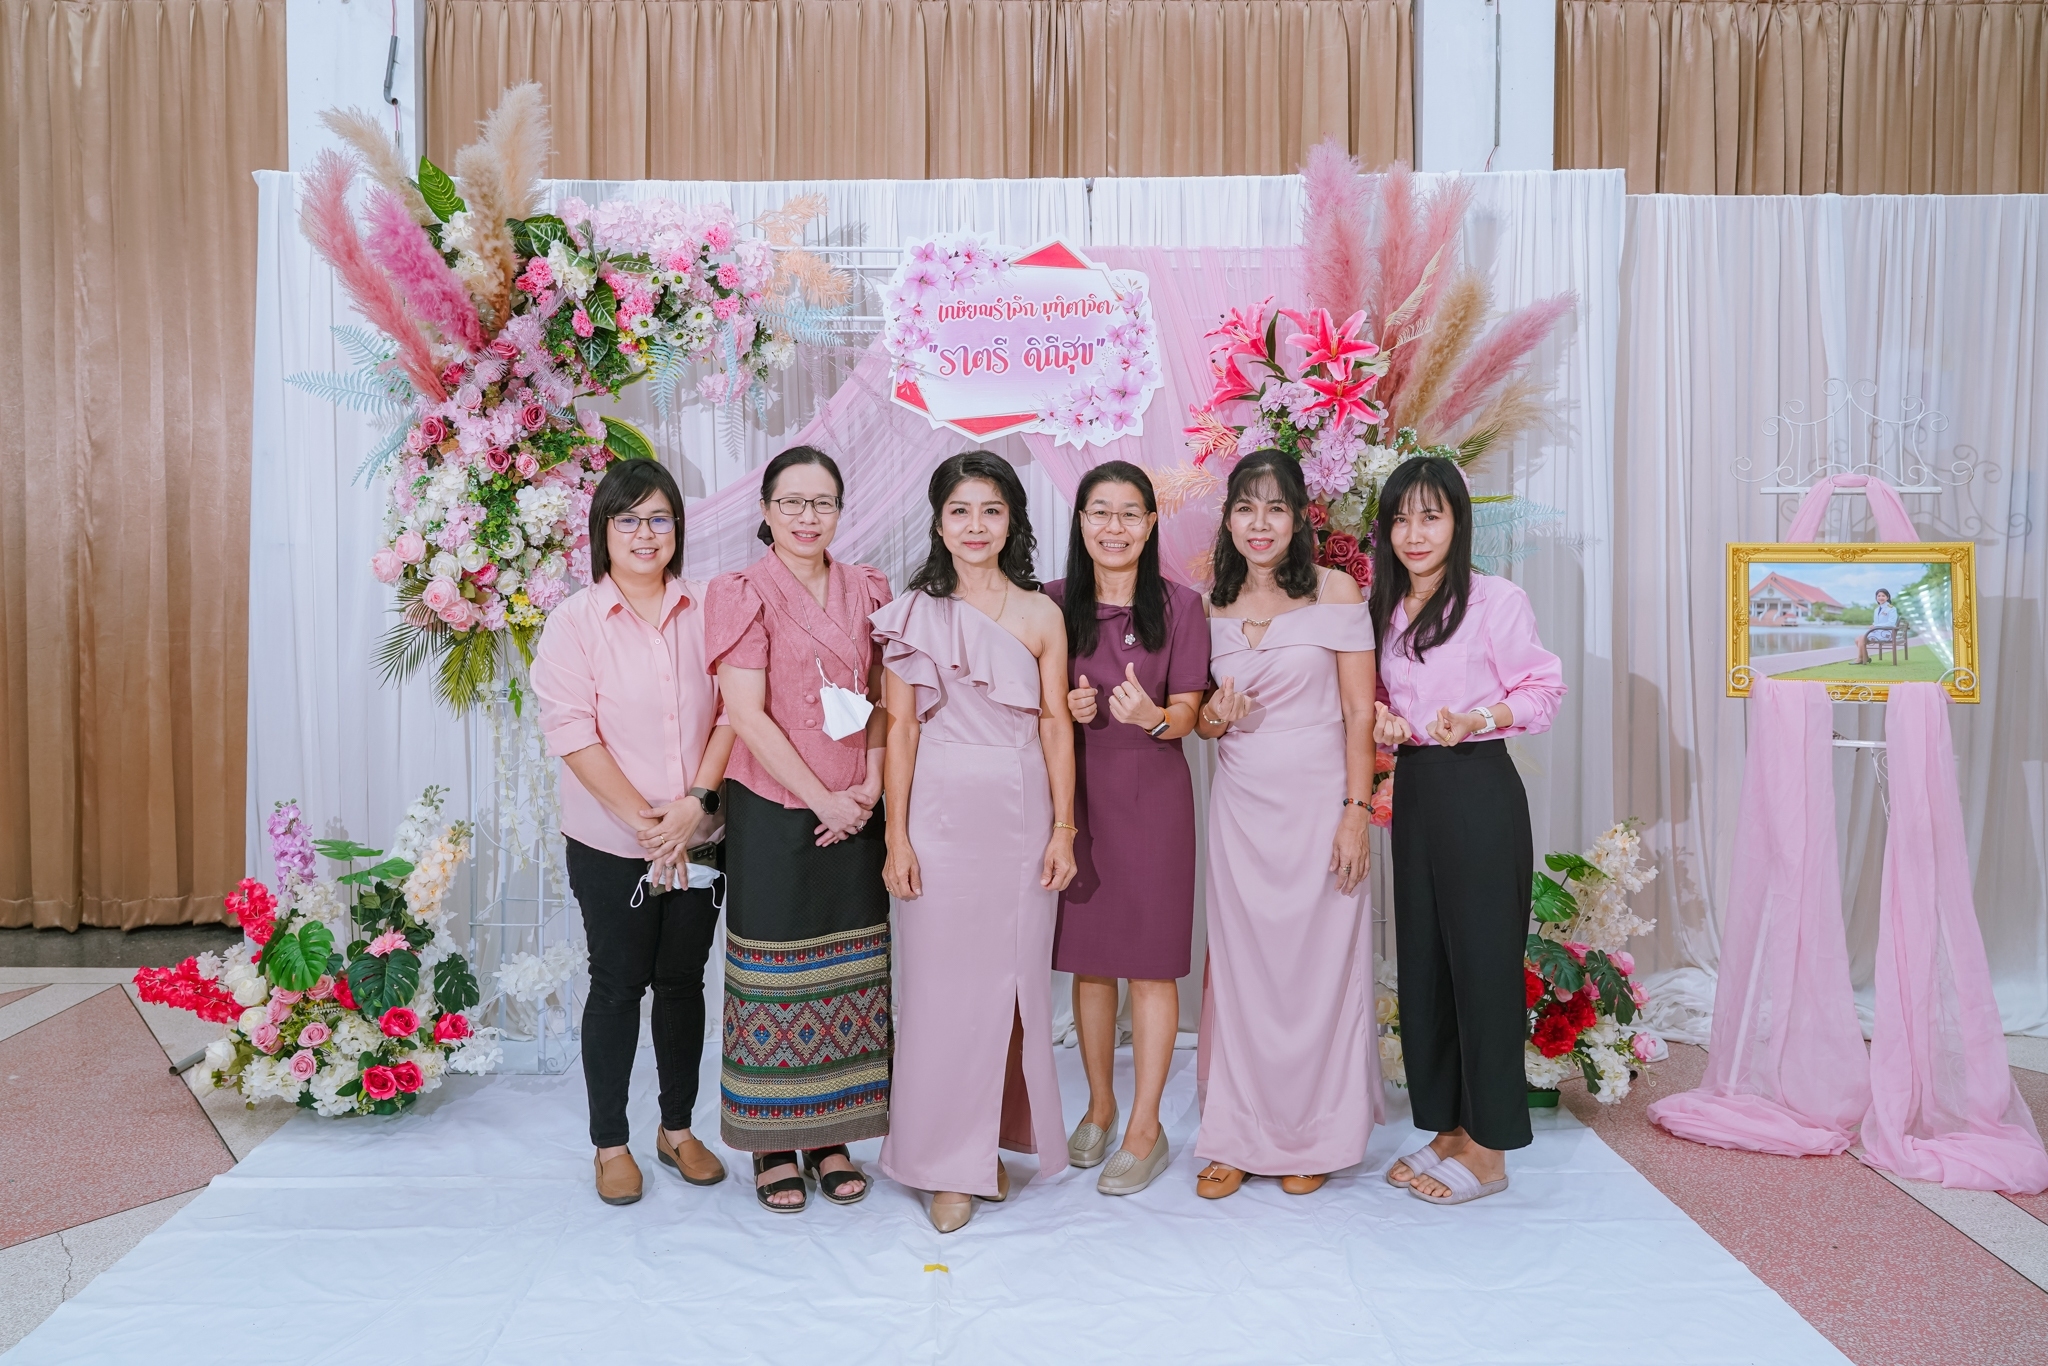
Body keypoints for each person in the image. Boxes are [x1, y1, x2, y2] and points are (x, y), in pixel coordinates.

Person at [869, 450, 1079, 1233]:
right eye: (960, 510)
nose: (975, 525)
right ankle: (943, 1164)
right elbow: (899, 733)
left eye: (991, 509)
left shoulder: (1041, 614)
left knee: (1012, 988)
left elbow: (1056, 727)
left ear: (1012, 519)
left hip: (1022, 816)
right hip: (939, 816)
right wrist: (895, 836)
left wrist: (1064, 829)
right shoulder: (911, 614)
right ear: (937, 522)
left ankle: (988, 1142)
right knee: (938, 992)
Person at [532, 458, 735, 1208]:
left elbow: (733, 712)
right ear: (603, 530)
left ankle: (677, 1130)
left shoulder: (709, 607)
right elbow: (571, 731)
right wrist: (649, 825)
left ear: (677, 527)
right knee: (618, 985)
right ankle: (610, 1144)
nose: (645, 533)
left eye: (659, 518)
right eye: (628, 519)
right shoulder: (575, 621)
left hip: (702, 830)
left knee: (683, 983)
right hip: (612, 842)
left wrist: (695, 805)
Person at [1371, 455, 1565, 1207]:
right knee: (1427, 966)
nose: (1414, 534)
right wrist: (1387, 720)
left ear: (1458, 522)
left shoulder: (1495, 600)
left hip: (1479, 787)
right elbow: (1383, 696)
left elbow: (1542, 690)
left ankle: (1490, 1150)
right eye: (1401, 519)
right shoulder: (1386, 607)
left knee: (1483, 969)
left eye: (1431, 516)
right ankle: (1449, 1128)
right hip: (1417, 789)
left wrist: (1479, 717)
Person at [706, 445, 895, 1215]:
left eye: (821, 503)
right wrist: (824, 799)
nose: (806, 516)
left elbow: (883, 697)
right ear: (766, 511)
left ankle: (831, 1135)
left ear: (841, 511)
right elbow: (746, 716)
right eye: (791, 502)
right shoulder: (742, 592)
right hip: (776, 810)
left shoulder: (869, 588)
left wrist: (871, 786)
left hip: (857, 807)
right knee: (774, 975)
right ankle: (771, 1143)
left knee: (850, 969)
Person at [1190, 449, 1380, 1200]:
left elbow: (1360, 711)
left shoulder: (1335, 590)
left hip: (1320, 804)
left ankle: (1313, 1135)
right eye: (1245, 507)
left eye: (1275, 507)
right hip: (1241, 810)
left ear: (1301, 516)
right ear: (1228, 520)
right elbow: (1204, 723)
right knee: (1244, 974)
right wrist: (1215, 715)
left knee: (1317, 971)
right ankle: (1238, 1135)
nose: (1259, 523)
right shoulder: (1208, 605)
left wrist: (1356, 813)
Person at [1047, 461, 1209, 1197]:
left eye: (1129, 514)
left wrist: (1153, 717)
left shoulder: (1181, 606)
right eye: (1099, 513)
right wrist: (1065, 709)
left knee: (1149, 963)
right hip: (1076, 799)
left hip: (1153, 799)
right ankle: (1100, 1106)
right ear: (1080, 522)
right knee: (1089, 963)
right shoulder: (1052, 603)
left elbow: (1191, 716)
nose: (1114, 527)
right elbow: (1032, 704)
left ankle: (1146, 1127)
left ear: (1150, 524)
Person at [1855, 588, 1902, 664]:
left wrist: (1876, 625)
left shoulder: (1891, 608)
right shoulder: (1876, 609)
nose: (1880, 597)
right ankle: (1865, 657)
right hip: (1877, 632)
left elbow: (1891, 623)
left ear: (1887, 597)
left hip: (1886, 633)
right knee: (1857, 639)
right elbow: (1877, 622)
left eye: (1883, 596)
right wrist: (1873, 624)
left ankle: (1860, 659)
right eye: (1879, 596)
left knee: (1861, 638)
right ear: (1876, 597)